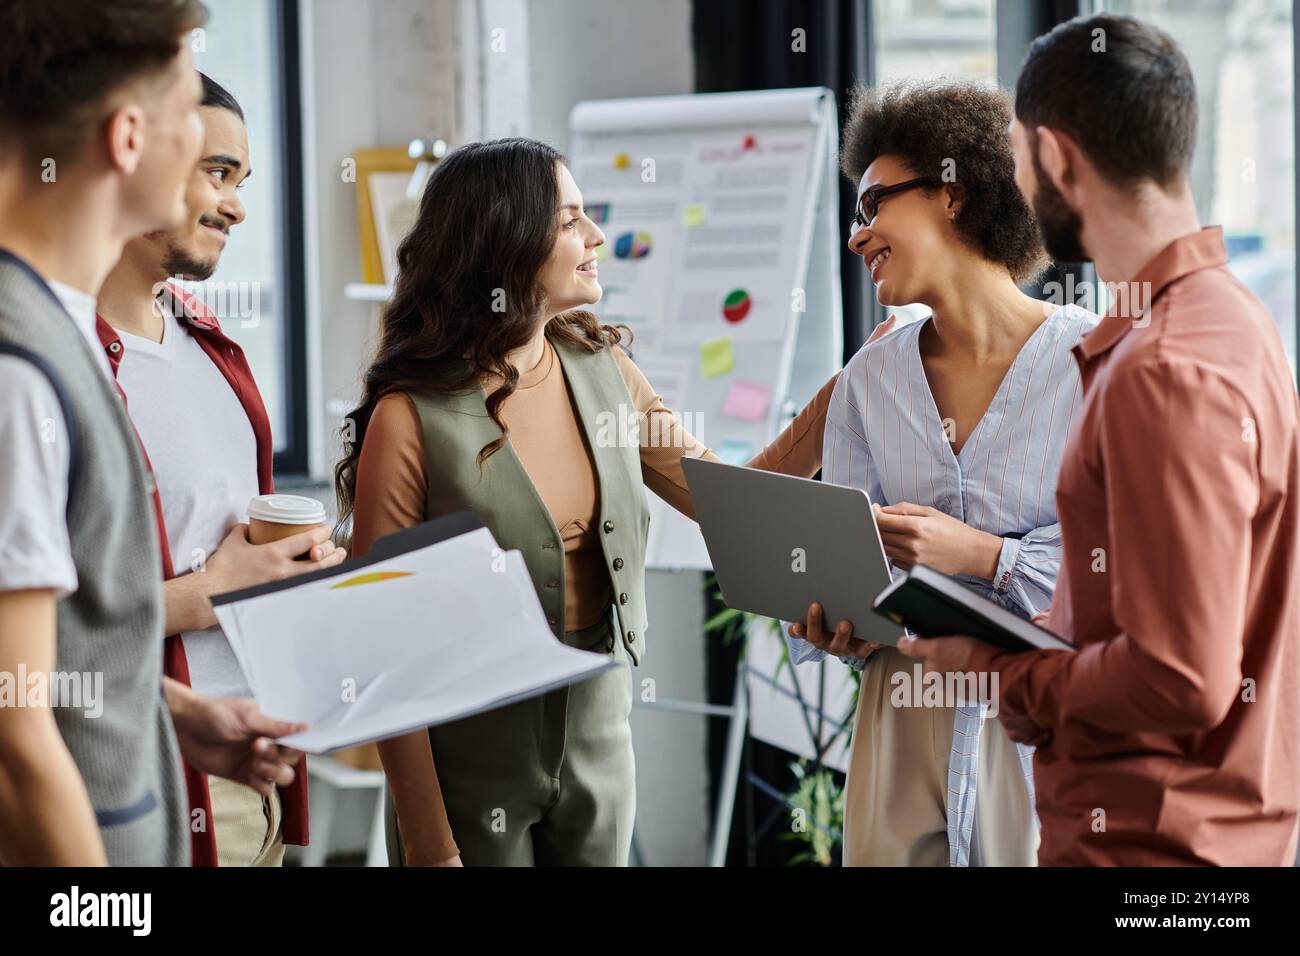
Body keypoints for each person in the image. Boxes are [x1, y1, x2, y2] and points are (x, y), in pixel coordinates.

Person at [335, 137, 839, 866]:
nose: (596, 236)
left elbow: (733, 502)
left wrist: (844, 394)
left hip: (602, 730)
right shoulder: (410, 417)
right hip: (471, 752)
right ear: (504, 238)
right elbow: (385, 647)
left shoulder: (607, 372)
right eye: (570, 219)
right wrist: (427, 840)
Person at [899, 14, 1300, 866]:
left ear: (1056, 156)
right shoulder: (1235, 320)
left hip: (1150, 855)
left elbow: (1181, 678)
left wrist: (996, 671)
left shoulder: (1163, 369)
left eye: (1016, 152)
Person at [0, 0, 304, 866]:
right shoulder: (22, 364)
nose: (232, 199)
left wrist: (175, 711)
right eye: (190, 125)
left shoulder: (48, 334)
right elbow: (15, 741)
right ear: (132, 137)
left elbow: (55, 649)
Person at [788, 80, 1097, 866]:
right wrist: (839, 625)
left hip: (1036, 720)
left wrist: (988, 557)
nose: (858, 237)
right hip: (900, 718)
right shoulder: (869, 379)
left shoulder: (1098, 364)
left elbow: (1132, 570)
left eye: (874, 206)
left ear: (953, 191)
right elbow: (851, 557)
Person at [96, 73, 346, 867]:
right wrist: (205, 596)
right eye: (217, 172)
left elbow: (234, 546)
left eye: (241, 181)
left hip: (253, 762)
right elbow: (31, 637)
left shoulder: (211, 345)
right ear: (133, 152)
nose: (237, 206)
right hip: (147, 780)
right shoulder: (48, 364)